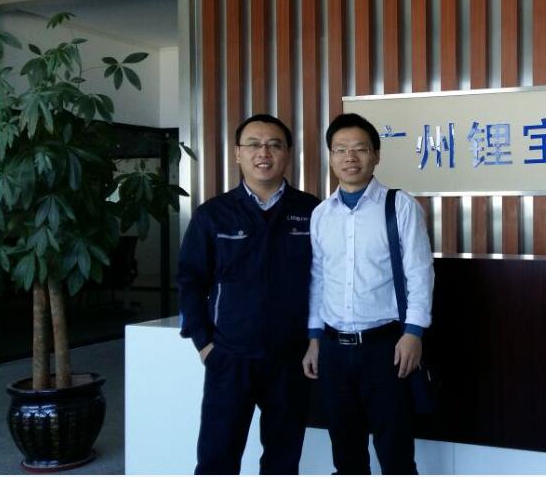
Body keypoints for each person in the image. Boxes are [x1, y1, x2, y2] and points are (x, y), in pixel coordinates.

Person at [177, 114, 320, 474]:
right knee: (216, 459)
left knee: (283, 461)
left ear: (288, 153)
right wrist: (204, 343)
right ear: (238, 153)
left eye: (274, 145)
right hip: (230, 356)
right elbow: (190, 281)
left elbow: (328, 281)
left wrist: (316, 341)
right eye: (254, 144)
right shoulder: (213, 215)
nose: (264, 153)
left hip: (291, 359)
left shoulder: (312, 211)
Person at [302, 113, 434, 474]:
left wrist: (413, 333)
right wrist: (314, 338)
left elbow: (420, 273)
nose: (350, 157)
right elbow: (318, 279)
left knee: (395, 453)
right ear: (330, 157)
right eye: (340, 149)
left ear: (376, 155)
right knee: (346, 454)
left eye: (360, 149)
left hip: (385, 348)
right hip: (332, 350)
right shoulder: (321, 214)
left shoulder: (399, 206)